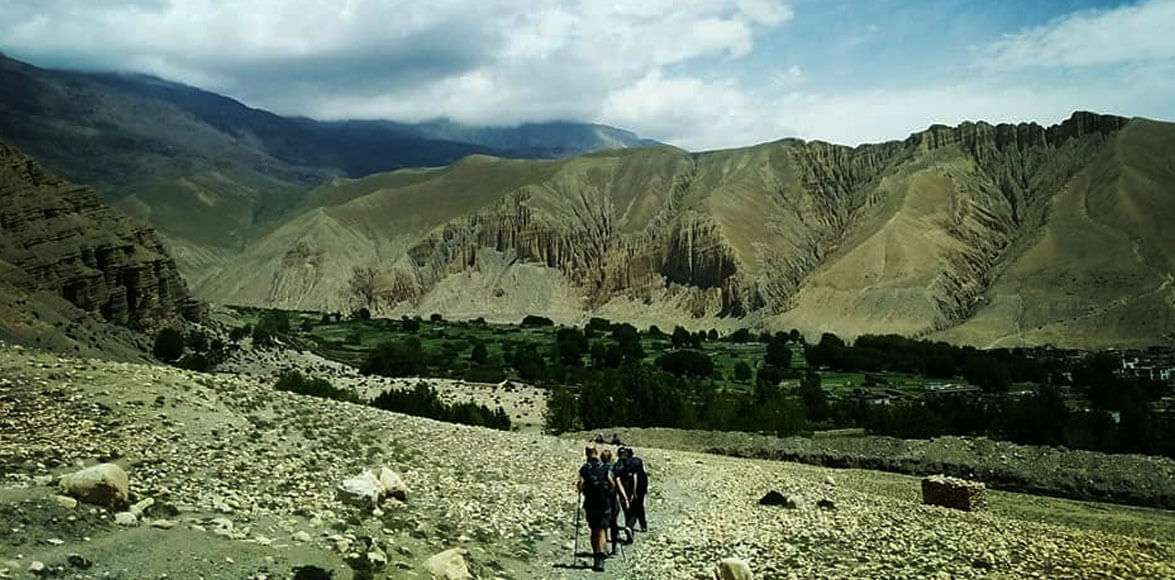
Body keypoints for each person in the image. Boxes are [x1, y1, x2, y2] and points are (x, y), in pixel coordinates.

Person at [577, 444, 616, 572]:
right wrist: (609, 492)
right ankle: (601, 555)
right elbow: (611, 483)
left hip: (590, 503)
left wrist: (581, 489)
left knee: (594, 529)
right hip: (603, 502)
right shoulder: (604, 467)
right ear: (596, 452)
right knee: (602, 529)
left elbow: (581, 486)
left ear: (586, 453)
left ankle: (596, 556)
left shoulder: (584, 468)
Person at [599, 448, 630, 555]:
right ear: (611, 457)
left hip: (601, 499)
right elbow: (617, 482)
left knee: (603, 524)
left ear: (601, 458)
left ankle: (604, 546)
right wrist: (624, 497)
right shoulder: (613, 468)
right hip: (612, 499)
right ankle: (614, 547)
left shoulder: (598, 468)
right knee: (613, 523)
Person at [617, 446, 648, 532]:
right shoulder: (638, 462)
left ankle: (629, 525)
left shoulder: (622, 464)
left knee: (630, 508)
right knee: (639, 507)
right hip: (640, 488)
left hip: (629, 488)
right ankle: (642, 525)